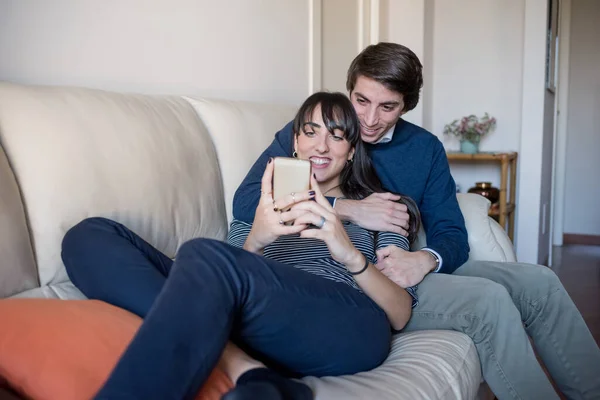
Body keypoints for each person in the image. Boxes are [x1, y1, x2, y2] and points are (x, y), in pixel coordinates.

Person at [232, 43, 600, 399]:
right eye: (361, 101)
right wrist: (347, 209)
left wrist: (425, 260)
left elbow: (451, 232)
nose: (369, 119)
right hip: (370, 270)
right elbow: (248, 200)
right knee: (488, 301)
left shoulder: (424, 149)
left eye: (387, 107)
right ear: (350, 90)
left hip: (409, 256)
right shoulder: (316, 133)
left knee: (539, 282)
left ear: (406, 105)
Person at [62, 92, 420, 400]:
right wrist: (257, 239)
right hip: (250, 323)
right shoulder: (257, 207)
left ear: (352, 149)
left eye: (336, 136)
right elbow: (229, 280)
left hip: (344, 324)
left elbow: (401, 313)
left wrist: (350, 254)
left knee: (201, 253)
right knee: (88, 236)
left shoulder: (378, 210)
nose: (321, 146)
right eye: (310, 133)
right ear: (295, 143)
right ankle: (249, 369)